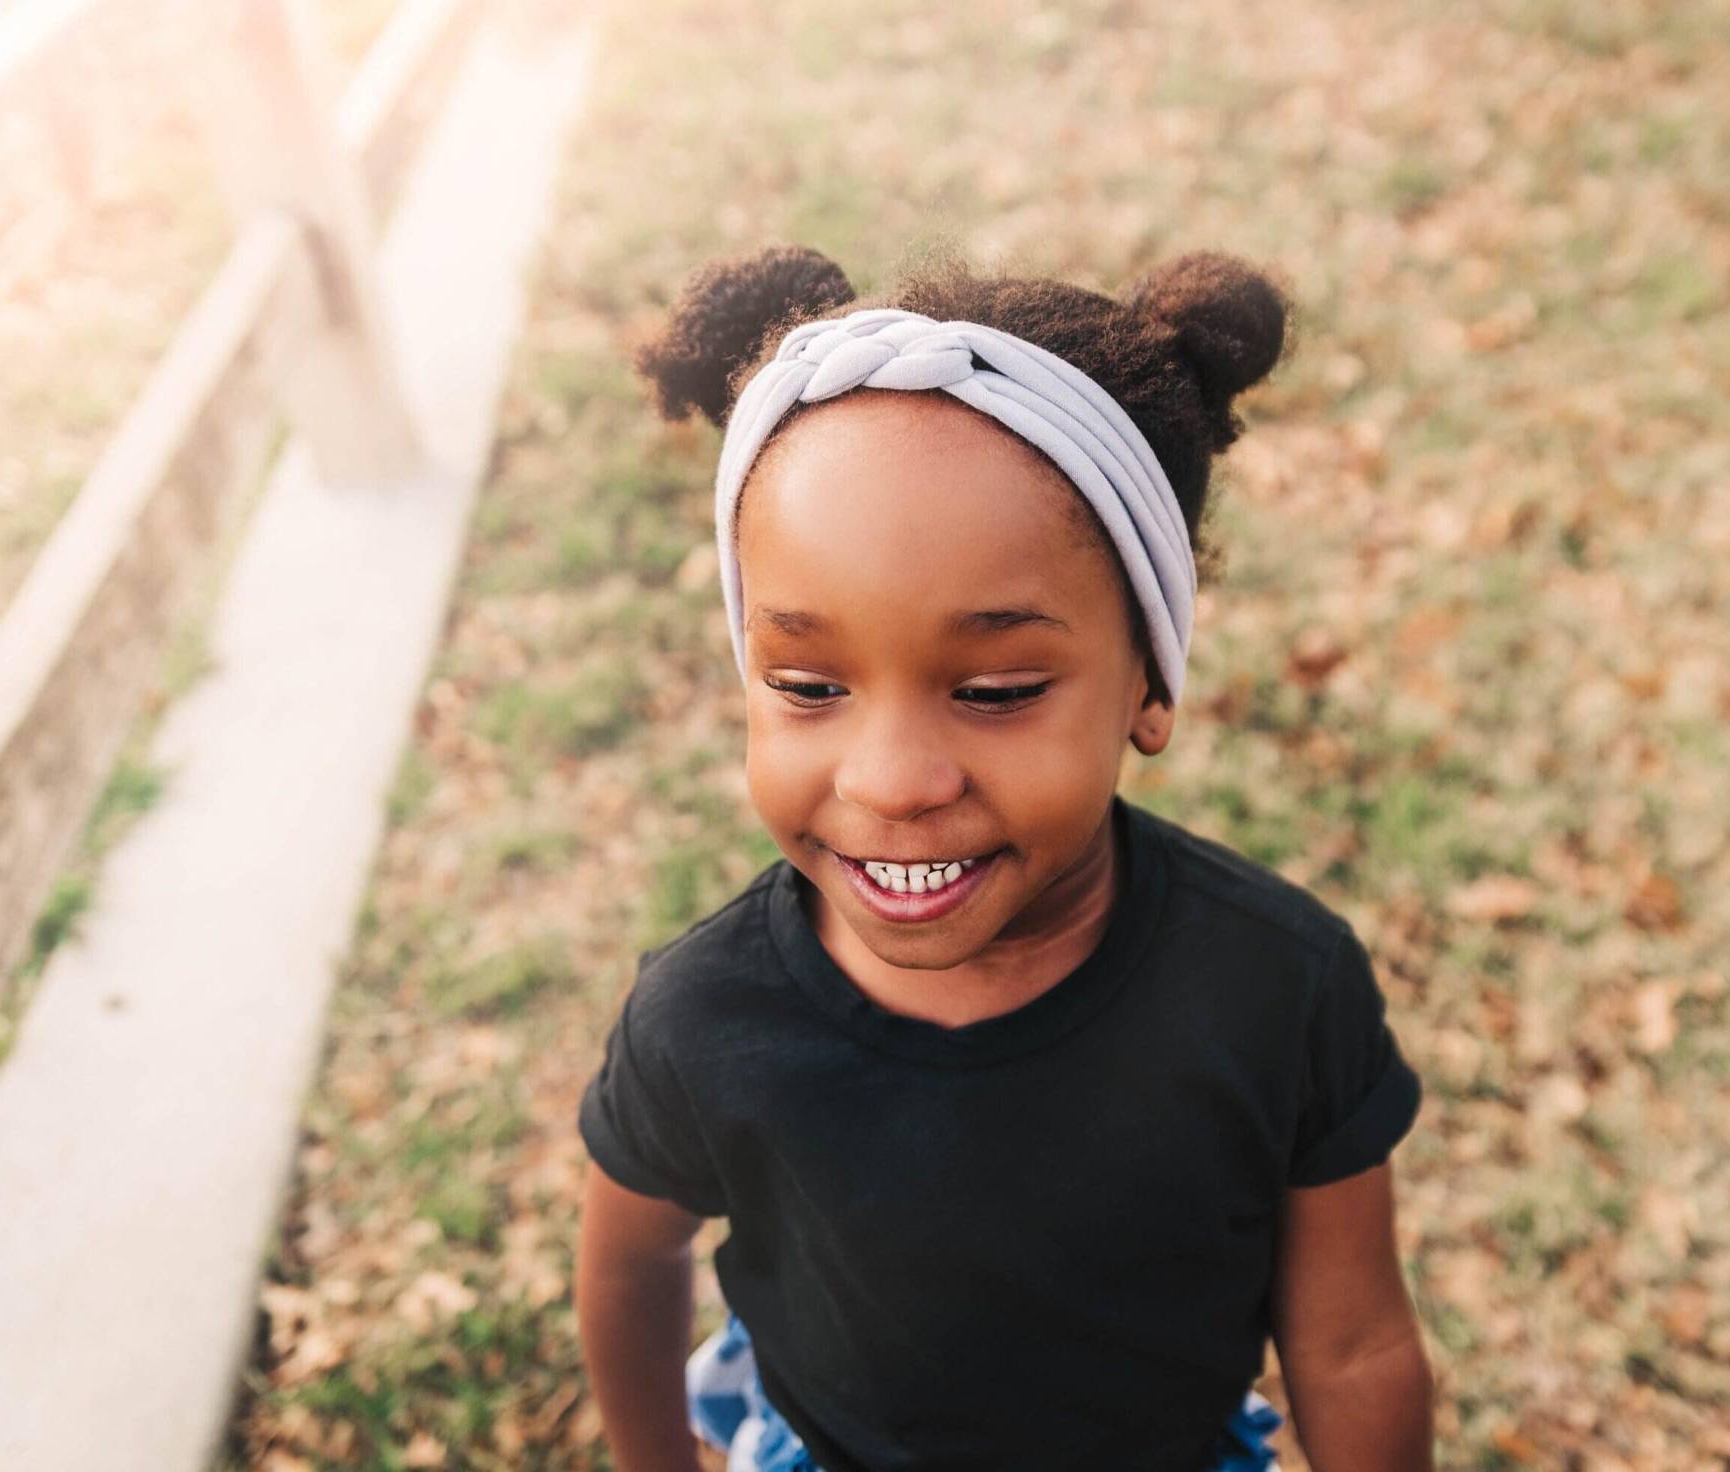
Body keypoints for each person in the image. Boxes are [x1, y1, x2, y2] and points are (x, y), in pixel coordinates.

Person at [574, 242, 1435, 1472]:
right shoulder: (704, 1017)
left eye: (994, 688)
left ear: (1146, 678)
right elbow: (631, 1259)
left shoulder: (1279, 988)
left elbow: (1353, 1345)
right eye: (809, 684)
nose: (889, 779)